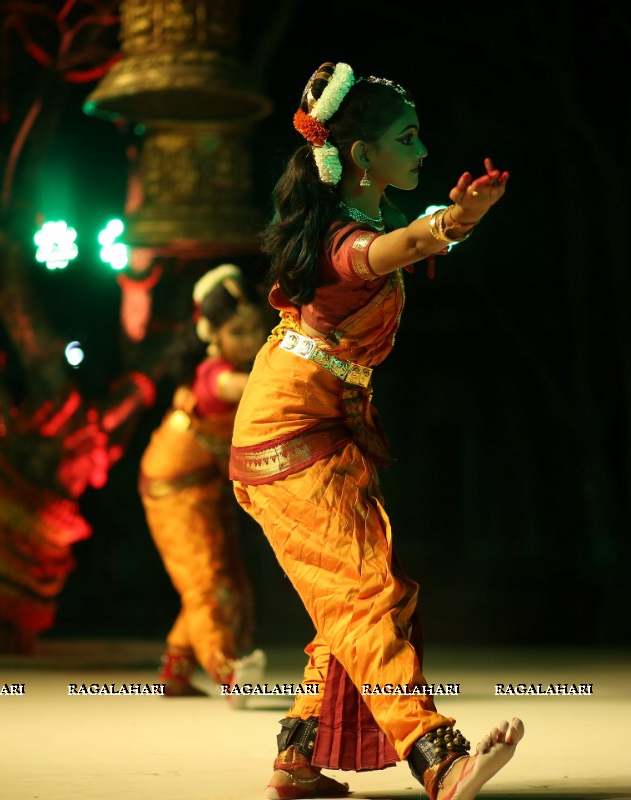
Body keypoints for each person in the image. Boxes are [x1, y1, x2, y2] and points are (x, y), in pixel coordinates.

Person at [229, 61, 524, 800]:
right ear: (364, 156)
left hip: (313, 422)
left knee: (351, 597)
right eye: (408, 136)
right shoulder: (345, 242)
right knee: (364, 592)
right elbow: (395, 254)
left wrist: (446, 227)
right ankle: (437, 754)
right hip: (289, 429)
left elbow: (400, 248)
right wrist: (454, 222)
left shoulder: (358, 227)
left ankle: (298, 760)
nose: (422, 149)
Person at [139, 263, 269, 705]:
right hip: (171, 487)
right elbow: (244, 387)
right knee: (206, 583)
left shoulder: (236, 365)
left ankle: (176, 668)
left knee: (223, 574)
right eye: (237, 331)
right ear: (213, 336)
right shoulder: (216, 374)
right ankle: (226, 671)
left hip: (203, 483)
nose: (250, 340)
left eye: (255, 327)